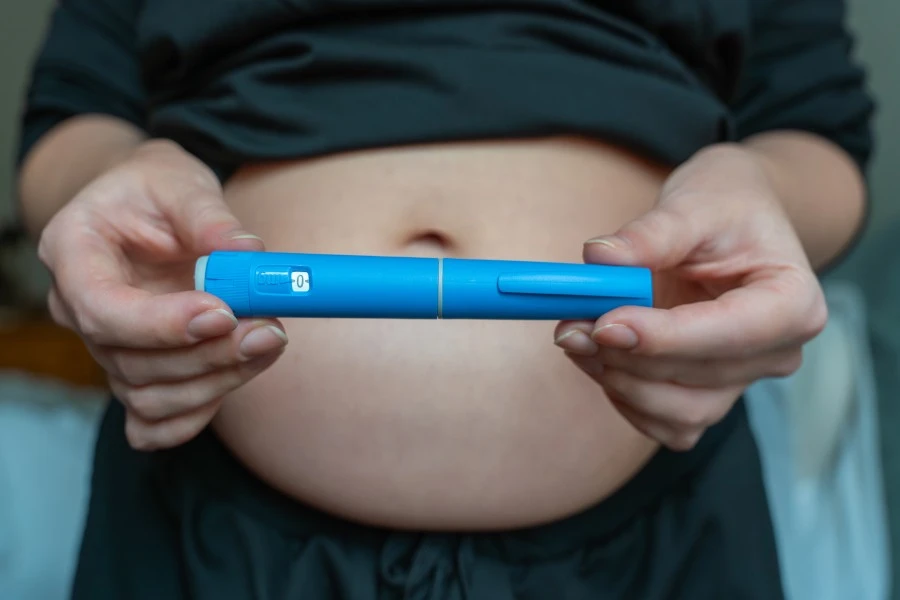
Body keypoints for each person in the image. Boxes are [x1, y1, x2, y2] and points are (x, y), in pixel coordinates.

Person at [15, 0, 874, 598]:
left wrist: (764, 187)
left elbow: (818, 129)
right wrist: (106, 181)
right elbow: (72, 113)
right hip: (211, 528)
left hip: (651, 540)